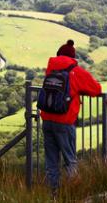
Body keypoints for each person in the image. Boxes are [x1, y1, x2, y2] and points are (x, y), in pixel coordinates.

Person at [40, 39, 102, 194]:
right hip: (65, 122)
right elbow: (96, 89)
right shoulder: (77, 72)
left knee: (51, 162)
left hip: (47, 119)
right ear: (73, 58)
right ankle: (73, 194)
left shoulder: (50, 69)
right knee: (70, 160)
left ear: (58, 55)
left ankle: (52, 195)